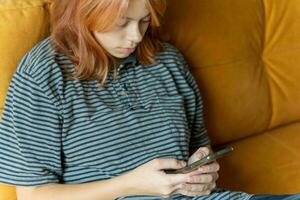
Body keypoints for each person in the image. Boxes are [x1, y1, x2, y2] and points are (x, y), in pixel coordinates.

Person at [0, 0, 299, 200]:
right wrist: (131, 184)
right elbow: (33, 194)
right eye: (121, 23)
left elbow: (198, 149)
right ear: (85, 11)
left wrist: (202, 175)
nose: (135, 36)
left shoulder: (167, 61)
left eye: (144, 21)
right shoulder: (43, 74)